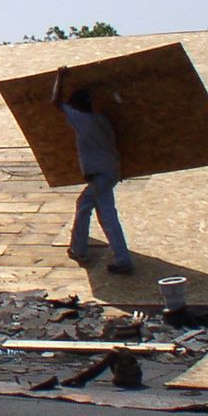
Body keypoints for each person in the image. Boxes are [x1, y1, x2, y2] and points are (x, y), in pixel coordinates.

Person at [51, 66, 133, 275]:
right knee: (84, 205)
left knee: (107, 216)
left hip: (99, 174)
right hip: (110, 171)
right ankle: (78, 248)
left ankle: (123, 259)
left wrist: (60, 76)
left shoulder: (82, 120)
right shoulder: (101, 120)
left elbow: (55, 102)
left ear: (77, 106)